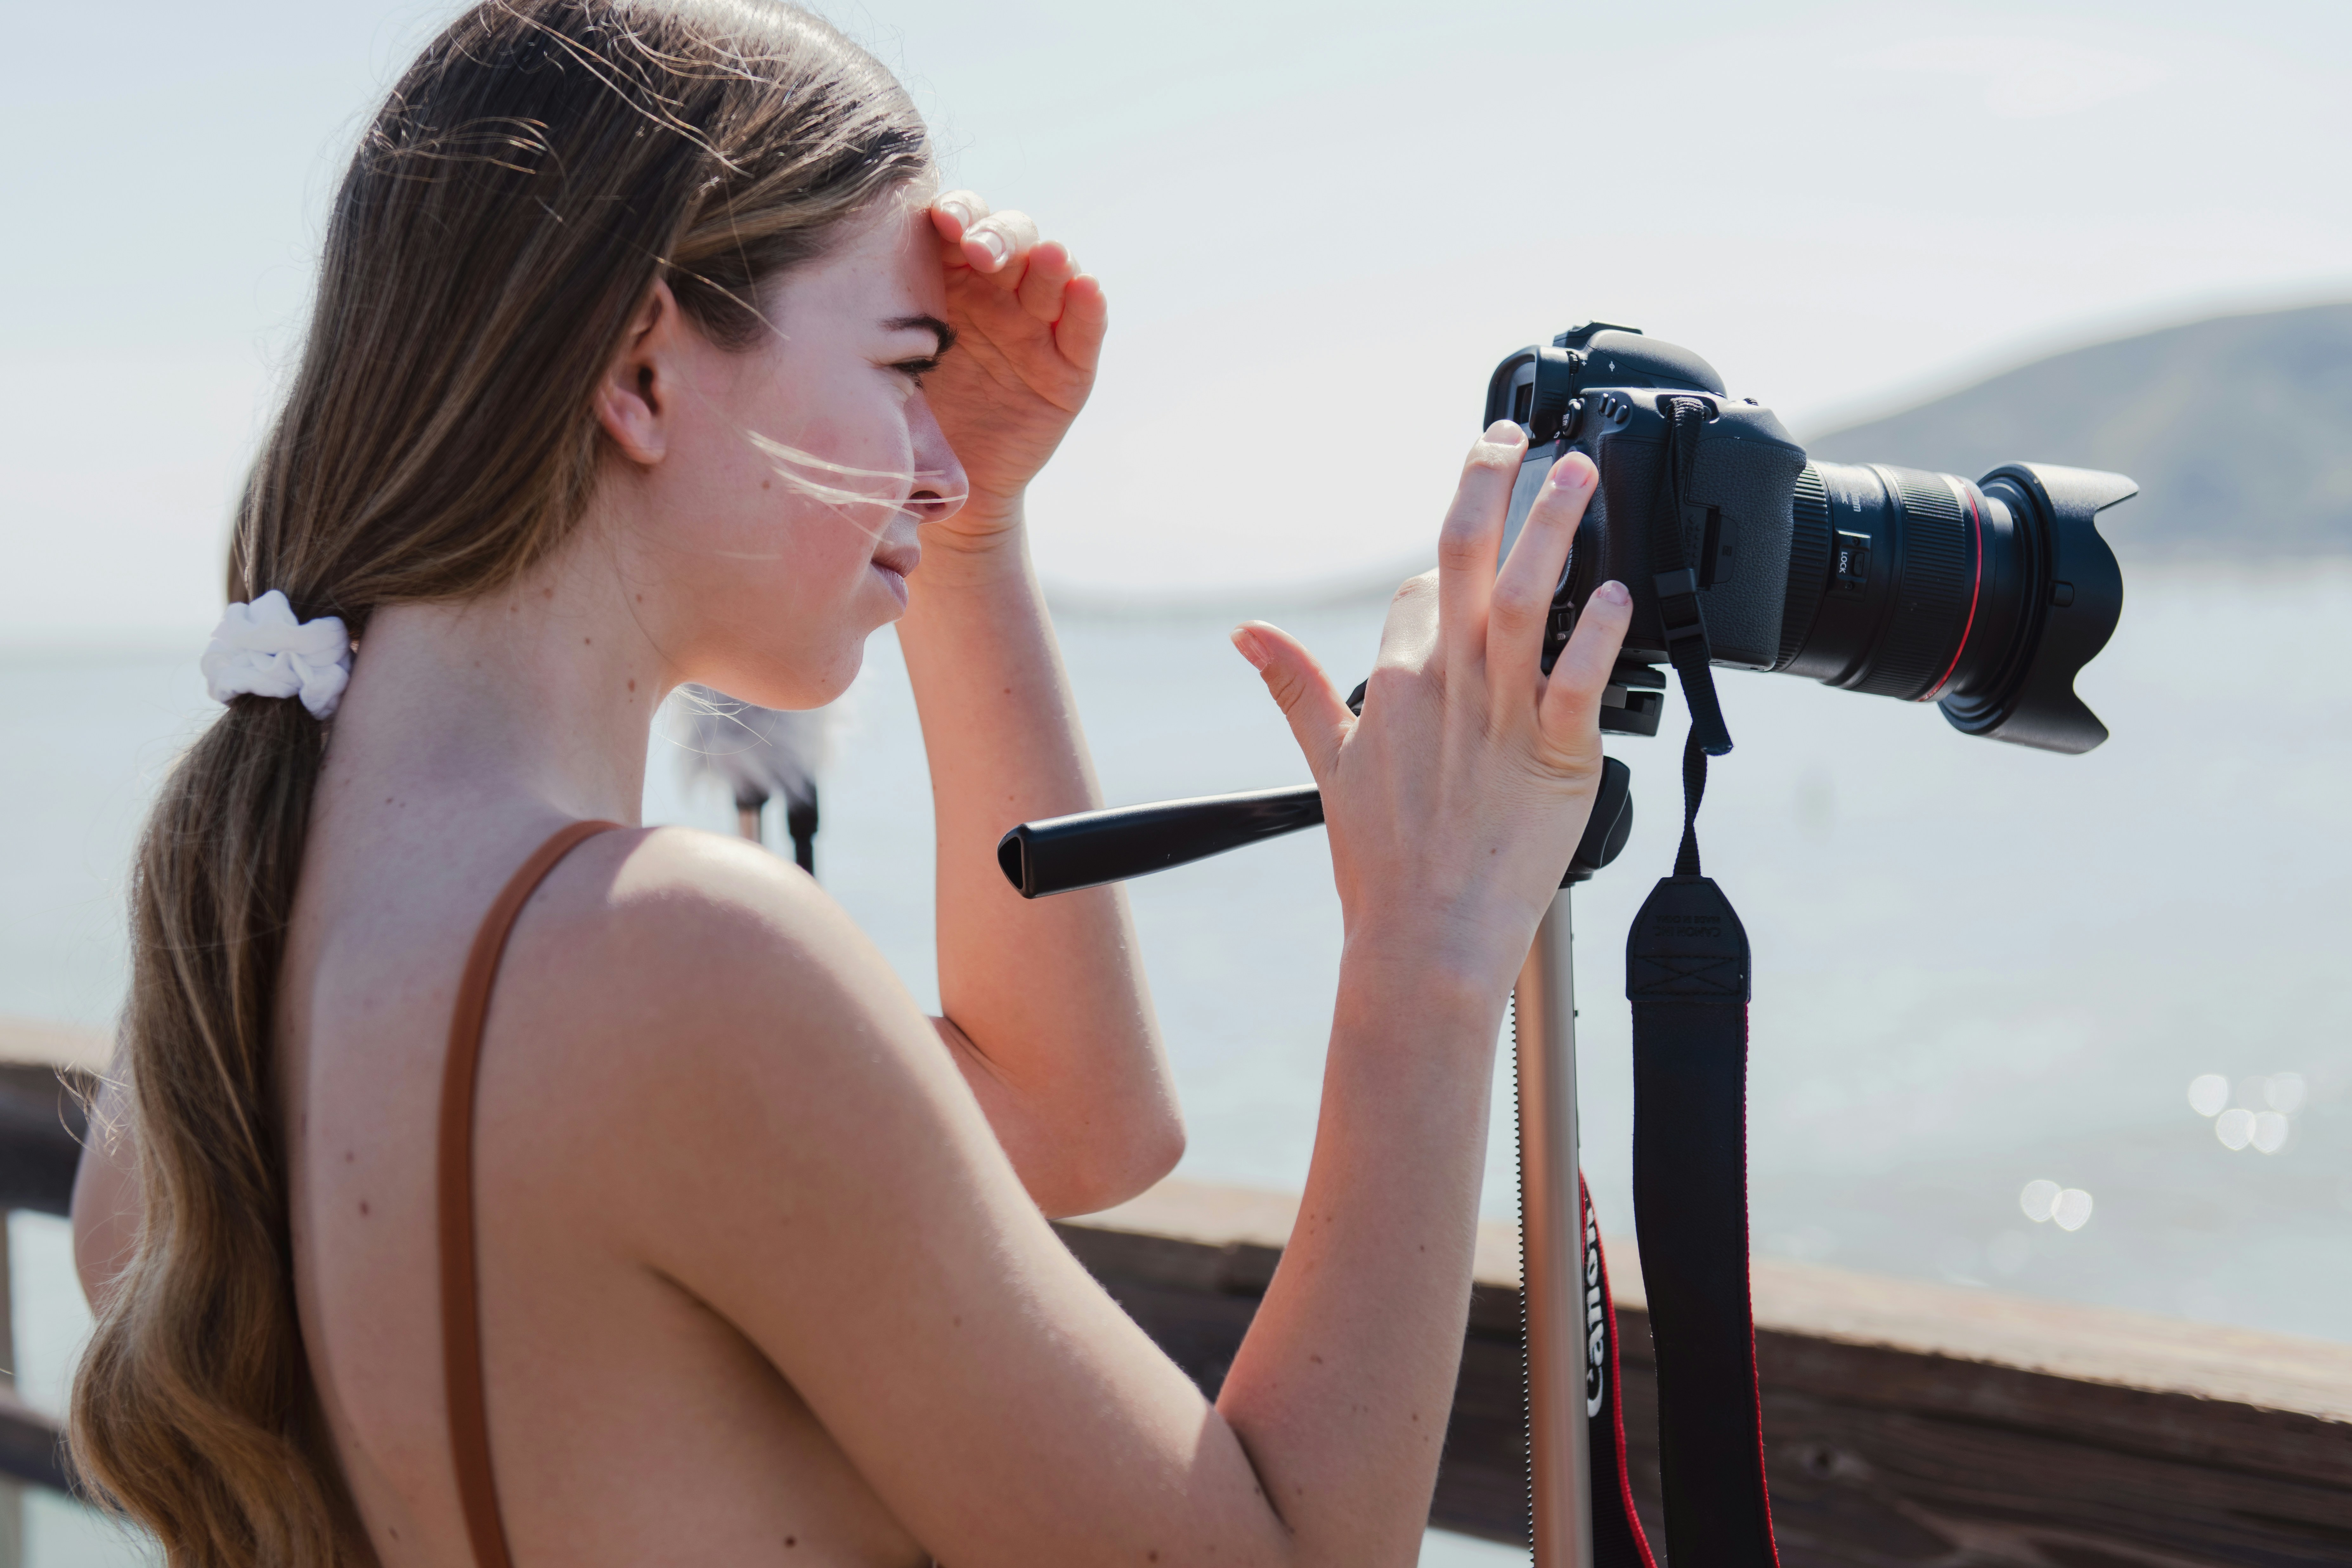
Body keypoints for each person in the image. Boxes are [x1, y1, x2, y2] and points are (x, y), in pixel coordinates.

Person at [66, 1, 1632, 1563]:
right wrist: (1430, 950)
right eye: (904, 369)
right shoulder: (669, 961)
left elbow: (1076, 1123)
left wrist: (970, 537)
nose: (938, 460)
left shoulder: (210, 1017)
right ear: (642, 372)